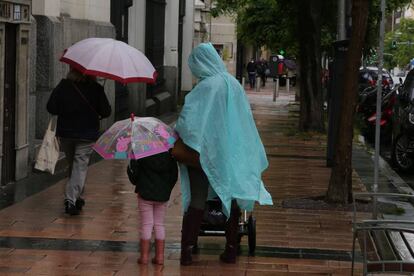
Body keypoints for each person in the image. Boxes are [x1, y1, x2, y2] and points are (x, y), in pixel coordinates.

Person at [171, 43, 273, 265]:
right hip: (229, 154)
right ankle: (231, 249)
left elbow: (188, 123)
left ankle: (186, 252)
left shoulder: (205, 88)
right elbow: (243, 119)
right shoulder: (234, 84)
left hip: (200, 154)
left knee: (198, 199)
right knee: (231, 195)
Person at [47, 67, 111, 215]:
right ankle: (71, 199)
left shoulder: (63, 86)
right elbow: (106, 112)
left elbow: (51, 107)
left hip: (66, 134)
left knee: (74, 165)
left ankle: (77, 196)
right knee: (79, 166)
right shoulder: (96, 88)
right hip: (86, 135)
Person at [127, 152, 178, 265]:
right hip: (163, 195)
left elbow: (134, 177)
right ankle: (160, 257)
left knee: (146, 224)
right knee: (159, 224)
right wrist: (166, 189)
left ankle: (144, 257)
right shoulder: (169, 155)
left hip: (144, 193)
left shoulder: (141, 153)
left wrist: (132, 161)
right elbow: (174, 176)